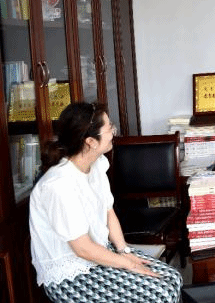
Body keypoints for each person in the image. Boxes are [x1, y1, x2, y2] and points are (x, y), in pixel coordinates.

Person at [29, 102, 182, 303]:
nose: (113, 133)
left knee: (173, 279)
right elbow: (82, 249)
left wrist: (124, 251)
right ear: (91, 141)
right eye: (110, 128)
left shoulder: (97, 164)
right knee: (160, 294)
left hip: (100, 253)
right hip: (72, 274)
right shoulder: (58, 185)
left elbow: (108, 211)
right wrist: (127, 264)